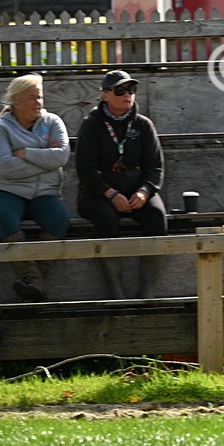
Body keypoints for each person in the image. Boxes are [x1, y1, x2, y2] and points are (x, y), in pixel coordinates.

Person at [76, 70, 167, 299]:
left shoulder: (143, 125)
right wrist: (110, 193)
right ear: (105, 95)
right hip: (97, 192)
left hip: (137, 191)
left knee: (157, 217)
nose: (127, 94)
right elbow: (85, 168)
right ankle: (115, 292)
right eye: (120, 90)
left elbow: (155, 167)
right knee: (106, 218)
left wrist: (145, 192)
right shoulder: (91, 124)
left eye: (131, 89)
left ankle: (147, 292)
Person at [0, 74, 71, 301]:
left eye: (40, 97)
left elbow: (62, 156)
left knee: (59, 218)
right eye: (31, 98)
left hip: (43, 192)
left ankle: (34, 280)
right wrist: (46, 163)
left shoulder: (53, 122)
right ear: (15, 101)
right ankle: (35, 280)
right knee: (2, 214)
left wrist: (25, 154)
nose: (38, 103)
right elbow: (4, 167)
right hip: (7, 189)